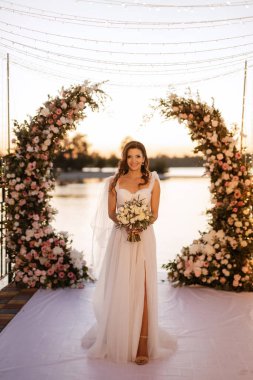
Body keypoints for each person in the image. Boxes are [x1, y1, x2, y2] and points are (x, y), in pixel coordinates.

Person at [82, 141, 176, 364]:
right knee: (122, 285)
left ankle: (143, 342)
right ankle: (119, 335)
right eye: (130, 156)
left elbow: (154, 214)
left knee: (143, 287)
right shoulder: (114, 182)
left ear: (144, 158)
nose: (134, 160)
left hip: (144, 238)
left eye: (138, 156)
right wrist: (126, 222)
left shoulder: (153, 180)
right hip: (122, 238)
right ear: (125, 158)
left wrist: (141, 223)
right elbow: (111, 213)